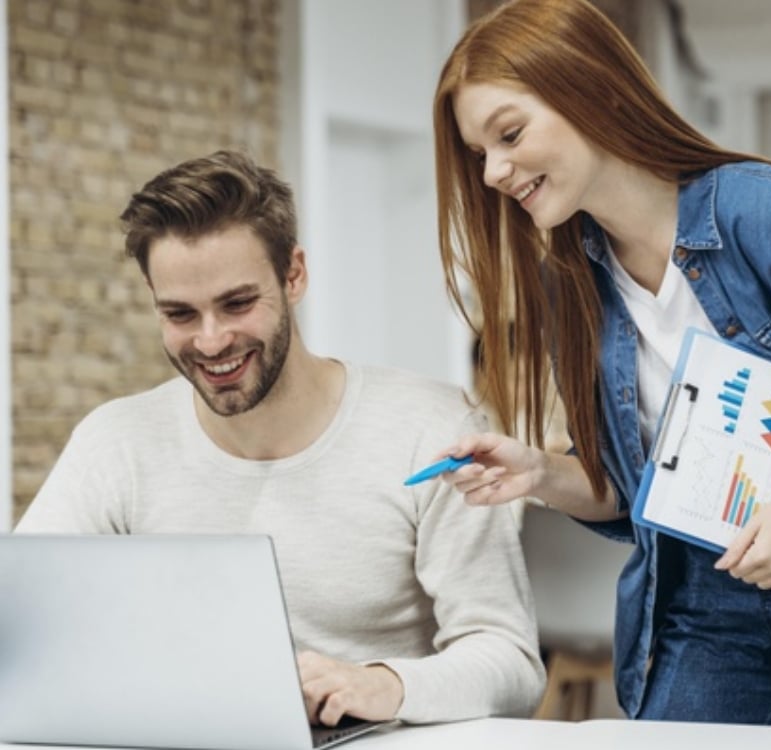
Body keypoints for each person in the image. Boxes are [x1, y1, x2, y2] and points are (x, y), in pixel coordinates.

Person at [15, 150, 545, 726]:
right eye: (180, 314)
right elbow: (22, 620)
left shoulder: (433, 427)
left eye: (237, 303)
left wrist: (384, 684)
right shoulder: (115, 442)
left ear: (294, 275)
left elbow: (512, 664)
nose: (212, 341)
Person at [431, 0, 771, 727]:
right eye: (480, 154)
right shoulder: (572, 283)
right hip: (701, 594)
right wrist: (540, 472)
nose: (493, 173)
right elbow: (631, 489)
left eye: (508, 135)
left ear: (594, 90)